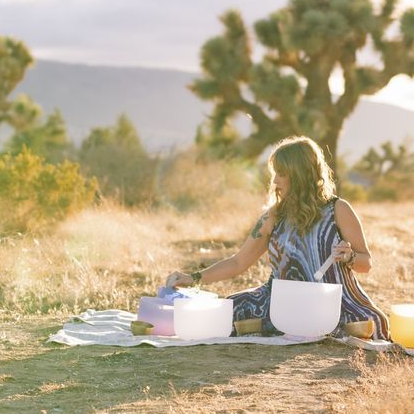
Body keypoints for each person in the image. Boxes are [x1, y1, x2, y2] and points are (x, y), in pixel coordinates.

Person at [164, 135, 389, 340]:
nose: (275, 182)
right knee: (227, 308)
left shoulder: (338, 209)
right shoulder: (274, 216)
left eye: (281, 174)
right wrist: (193, 278)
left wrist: (349, 257)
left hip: (332, 303)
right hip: (279, 301)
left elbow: (365, 263)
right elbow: (238, 262)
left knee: (373, 323)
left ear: (301, 174)